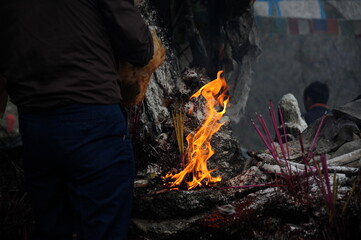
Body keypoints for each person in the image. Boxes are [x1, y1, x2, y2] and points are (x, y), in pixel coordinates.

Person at [0, 0, 154, 239]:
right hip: (92, 120)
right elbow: (140, 46)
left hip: (36, 128)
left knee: (52, 228)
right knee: (103, 230)